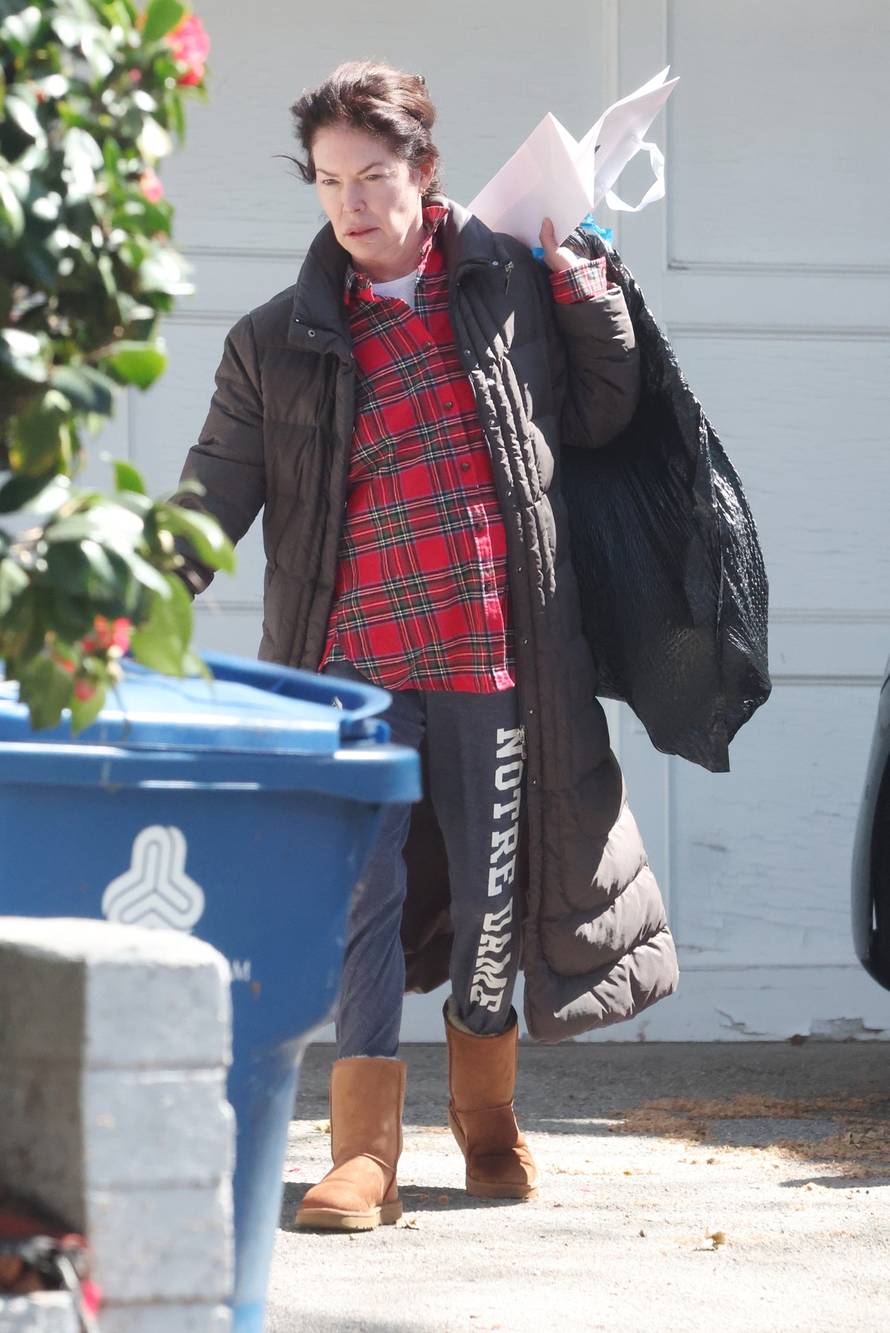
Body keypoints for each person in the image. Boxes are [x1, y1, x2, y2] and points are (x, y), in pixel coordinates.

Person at [176, 60, 679, 1234]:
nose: (351, 203)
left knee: (495, 901)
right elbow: (212, 492)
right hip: (351, 668)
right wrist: (132, 591)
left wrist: (588, 289)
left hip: (494, 659)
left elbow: (606, 410)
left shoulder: (508, 284)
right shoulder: (274, 340)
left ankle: (486, 1121)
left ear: (425, 171)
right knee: (363, 891)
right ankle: (363, 1153)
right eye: (328, 181)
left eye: (373, 176)